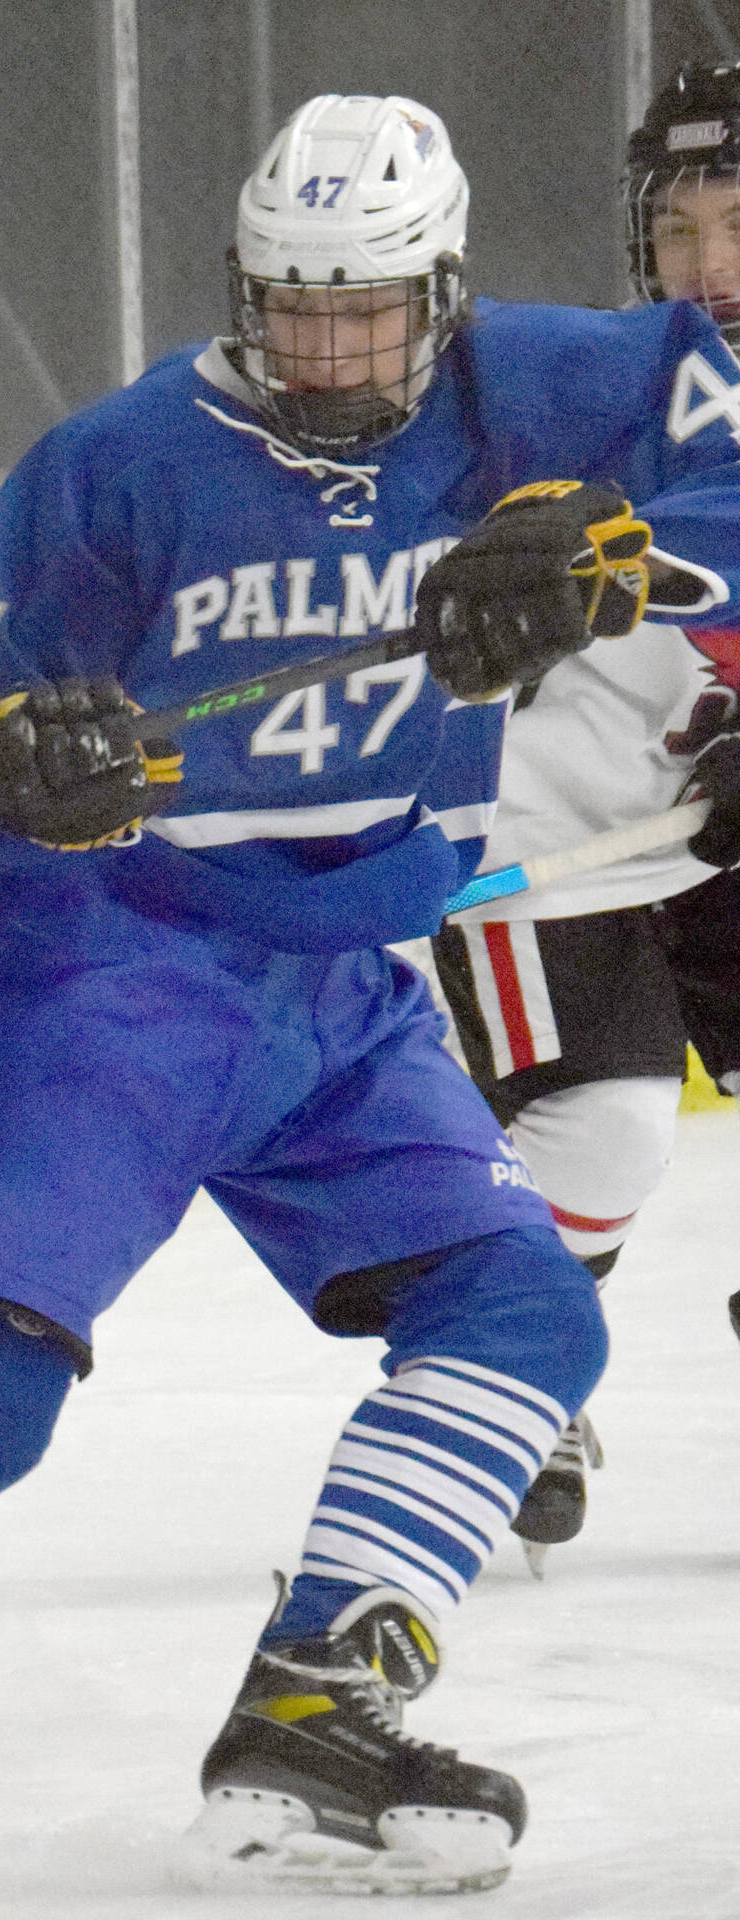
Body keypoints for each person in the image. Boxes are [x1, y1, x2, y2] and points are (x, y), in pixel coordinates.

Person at [0, 94, 740, 1896]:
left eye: (367, 311)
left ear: (443, 291)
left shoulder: (545, 385)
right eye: (292, 307)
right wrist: (30, 758)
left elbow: (722, 442)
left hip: (342, 986)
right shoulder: (121, 462)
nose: (330, 350)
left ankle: (315, 1703)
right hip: (106, 966)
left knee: (529, 1316)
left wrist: (628, 555)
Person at [431, 59, 740, 1570]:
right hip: (571, 835)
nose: (710, 268)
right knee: (605, 1126)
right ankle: (521, 1359)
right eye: (680, 229)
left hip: (704, 814)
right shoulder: (608, 386)